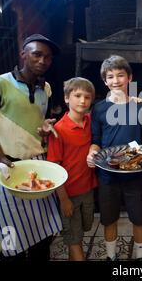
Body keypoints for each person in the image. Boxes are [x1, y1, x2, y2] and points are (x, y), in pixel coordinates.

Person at [0, 34, 62, 261]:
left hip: (39, 167)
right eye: (37, 54)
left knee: (42, 236)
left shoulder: (47, 88)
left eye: (48, 57)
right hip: (9, 169)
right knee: (10, 240)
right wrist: (0, 156)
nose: (43, 60)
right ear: (23, 54)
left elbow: (39, 123)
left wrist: (44, 129)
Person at [86, 55, 142, 261]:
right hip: (107, 176)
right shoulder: (98, 108)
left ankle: (140, 258)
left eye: (120, 75)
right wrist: (91, 152)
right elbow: (96, 139)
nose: (115, 80)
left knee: (138, 219)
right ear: (105, 81)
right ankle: (111, 257)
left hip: (135, 175)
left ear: (129, 77)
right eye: (110, 76)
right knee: (108, 219)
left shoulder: (140, 106)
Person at [47, 77, 98, 261]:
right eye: (77, 95)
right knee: (74, 240)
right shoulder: (58, 130)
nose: (83, 100)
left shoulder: (91, 122)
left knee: (81, 232)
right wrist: (63, 199)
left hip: (88, 190)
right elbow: (54, 168)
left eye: (87, 96)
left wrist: (133, 101)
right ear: (67, 98)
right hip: (68, 194)